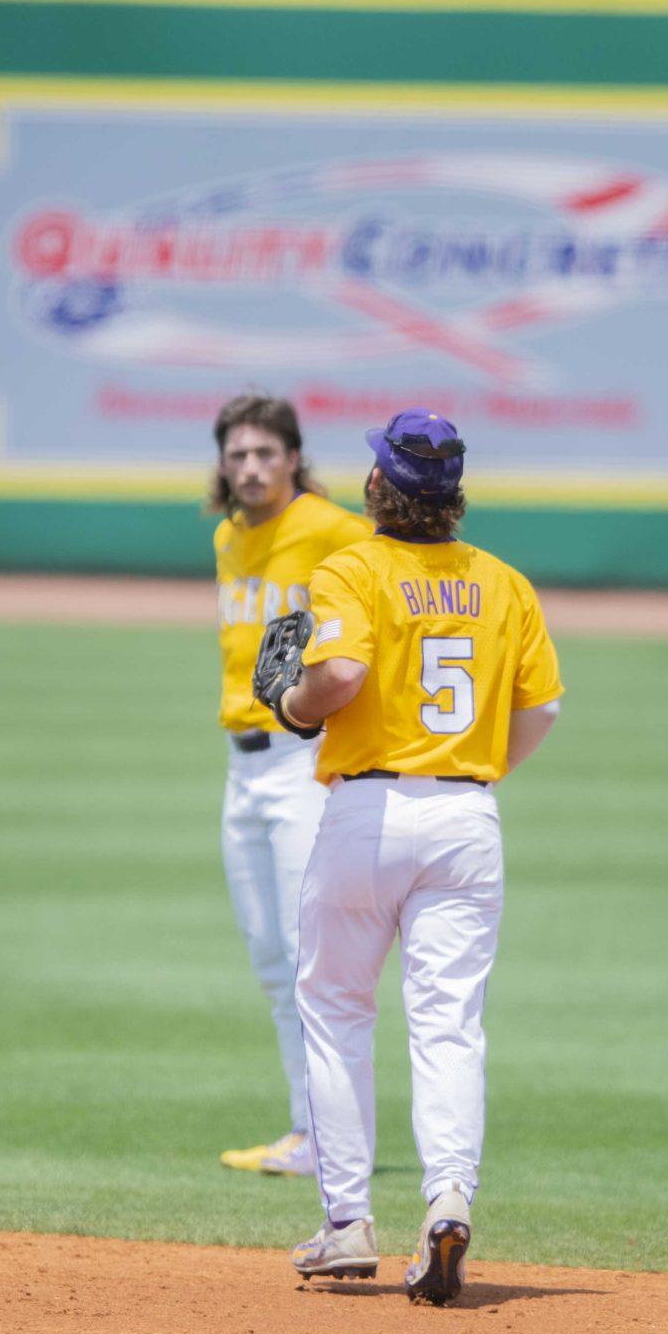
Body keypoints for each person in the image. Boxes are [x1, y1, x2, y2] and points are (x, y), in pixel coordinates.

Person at [252, 409, 563, 1305]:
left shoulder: (352, 565)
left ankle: (348, 1222)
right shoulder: (504, 583)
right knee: (449, 1024)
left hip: (368, 813)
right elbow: (540, 712)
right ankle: (447, 1201)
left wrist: (294, 701)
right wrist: (467, 771)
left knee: (337, 1007)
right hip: (467, 816)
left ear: (379, 487)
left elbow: (338, 679)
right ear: (456, 495)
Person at [206, 395, 373, 1179]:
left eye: (265, 453)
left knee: (312, 958)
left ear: (294, 458)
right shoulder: (228, 537)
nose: (250, 468)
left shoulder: (332, 528)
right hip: (241, 767)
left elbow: (391, 582)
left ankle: (336, 1140)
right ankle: (310, 1131)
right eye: (237, 454)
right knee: (273, 961)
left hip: (301, 760)